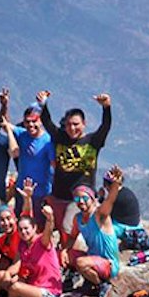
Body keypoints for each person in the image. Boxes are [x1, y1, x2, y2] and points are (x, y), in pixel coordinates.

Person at [40, 91, 112, 244]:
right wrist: (43, 104)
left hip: (80, 197)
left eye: (76, 124)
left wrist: (106, 108)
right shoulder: (60, 138)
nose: (72, 128)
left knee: (67, 227)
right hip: (59, 194)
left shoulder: (93, 141)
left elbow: (105, 127)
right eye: (68, 125)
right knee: (48, 226)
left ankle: (67, 254)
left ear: (84, 124)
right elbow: (47, 122)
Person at [60, 165, 124, 297]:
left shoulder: (100, 215)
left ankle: (101, 285)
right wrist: (65, 250)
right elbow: (72, 237)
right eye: (77, 199)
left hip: (108, 264)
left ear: (92, 198)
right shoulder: (78, 218)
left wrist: (115, 185)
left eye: (84, 198)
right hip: (93, 259)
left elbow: (110, 201)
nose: (81, 202)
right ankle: (77, 277)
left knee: (81, 262)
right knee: (68, 255)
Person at [1, 90, 55, 225]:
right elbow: (5, 124)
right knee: (22, 225)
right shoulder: (22, 134)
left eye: (34, 121)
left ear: (41, 121)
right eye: (27, 122)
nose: (31, 125)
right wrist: (4, 104)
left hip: (40, 193)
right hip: (21, 190)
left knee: (37, 227)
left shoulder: (48, 142)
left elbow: (55, 166)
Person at [99, 169, 143, 245]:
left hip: (126, 228)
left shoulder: (116, 197)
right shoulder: (125, 192)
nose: (105, 187)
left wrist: (101, 198)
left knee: (99, 228)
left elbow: (104, 213)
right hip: (135, 225)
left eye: (105, 184)